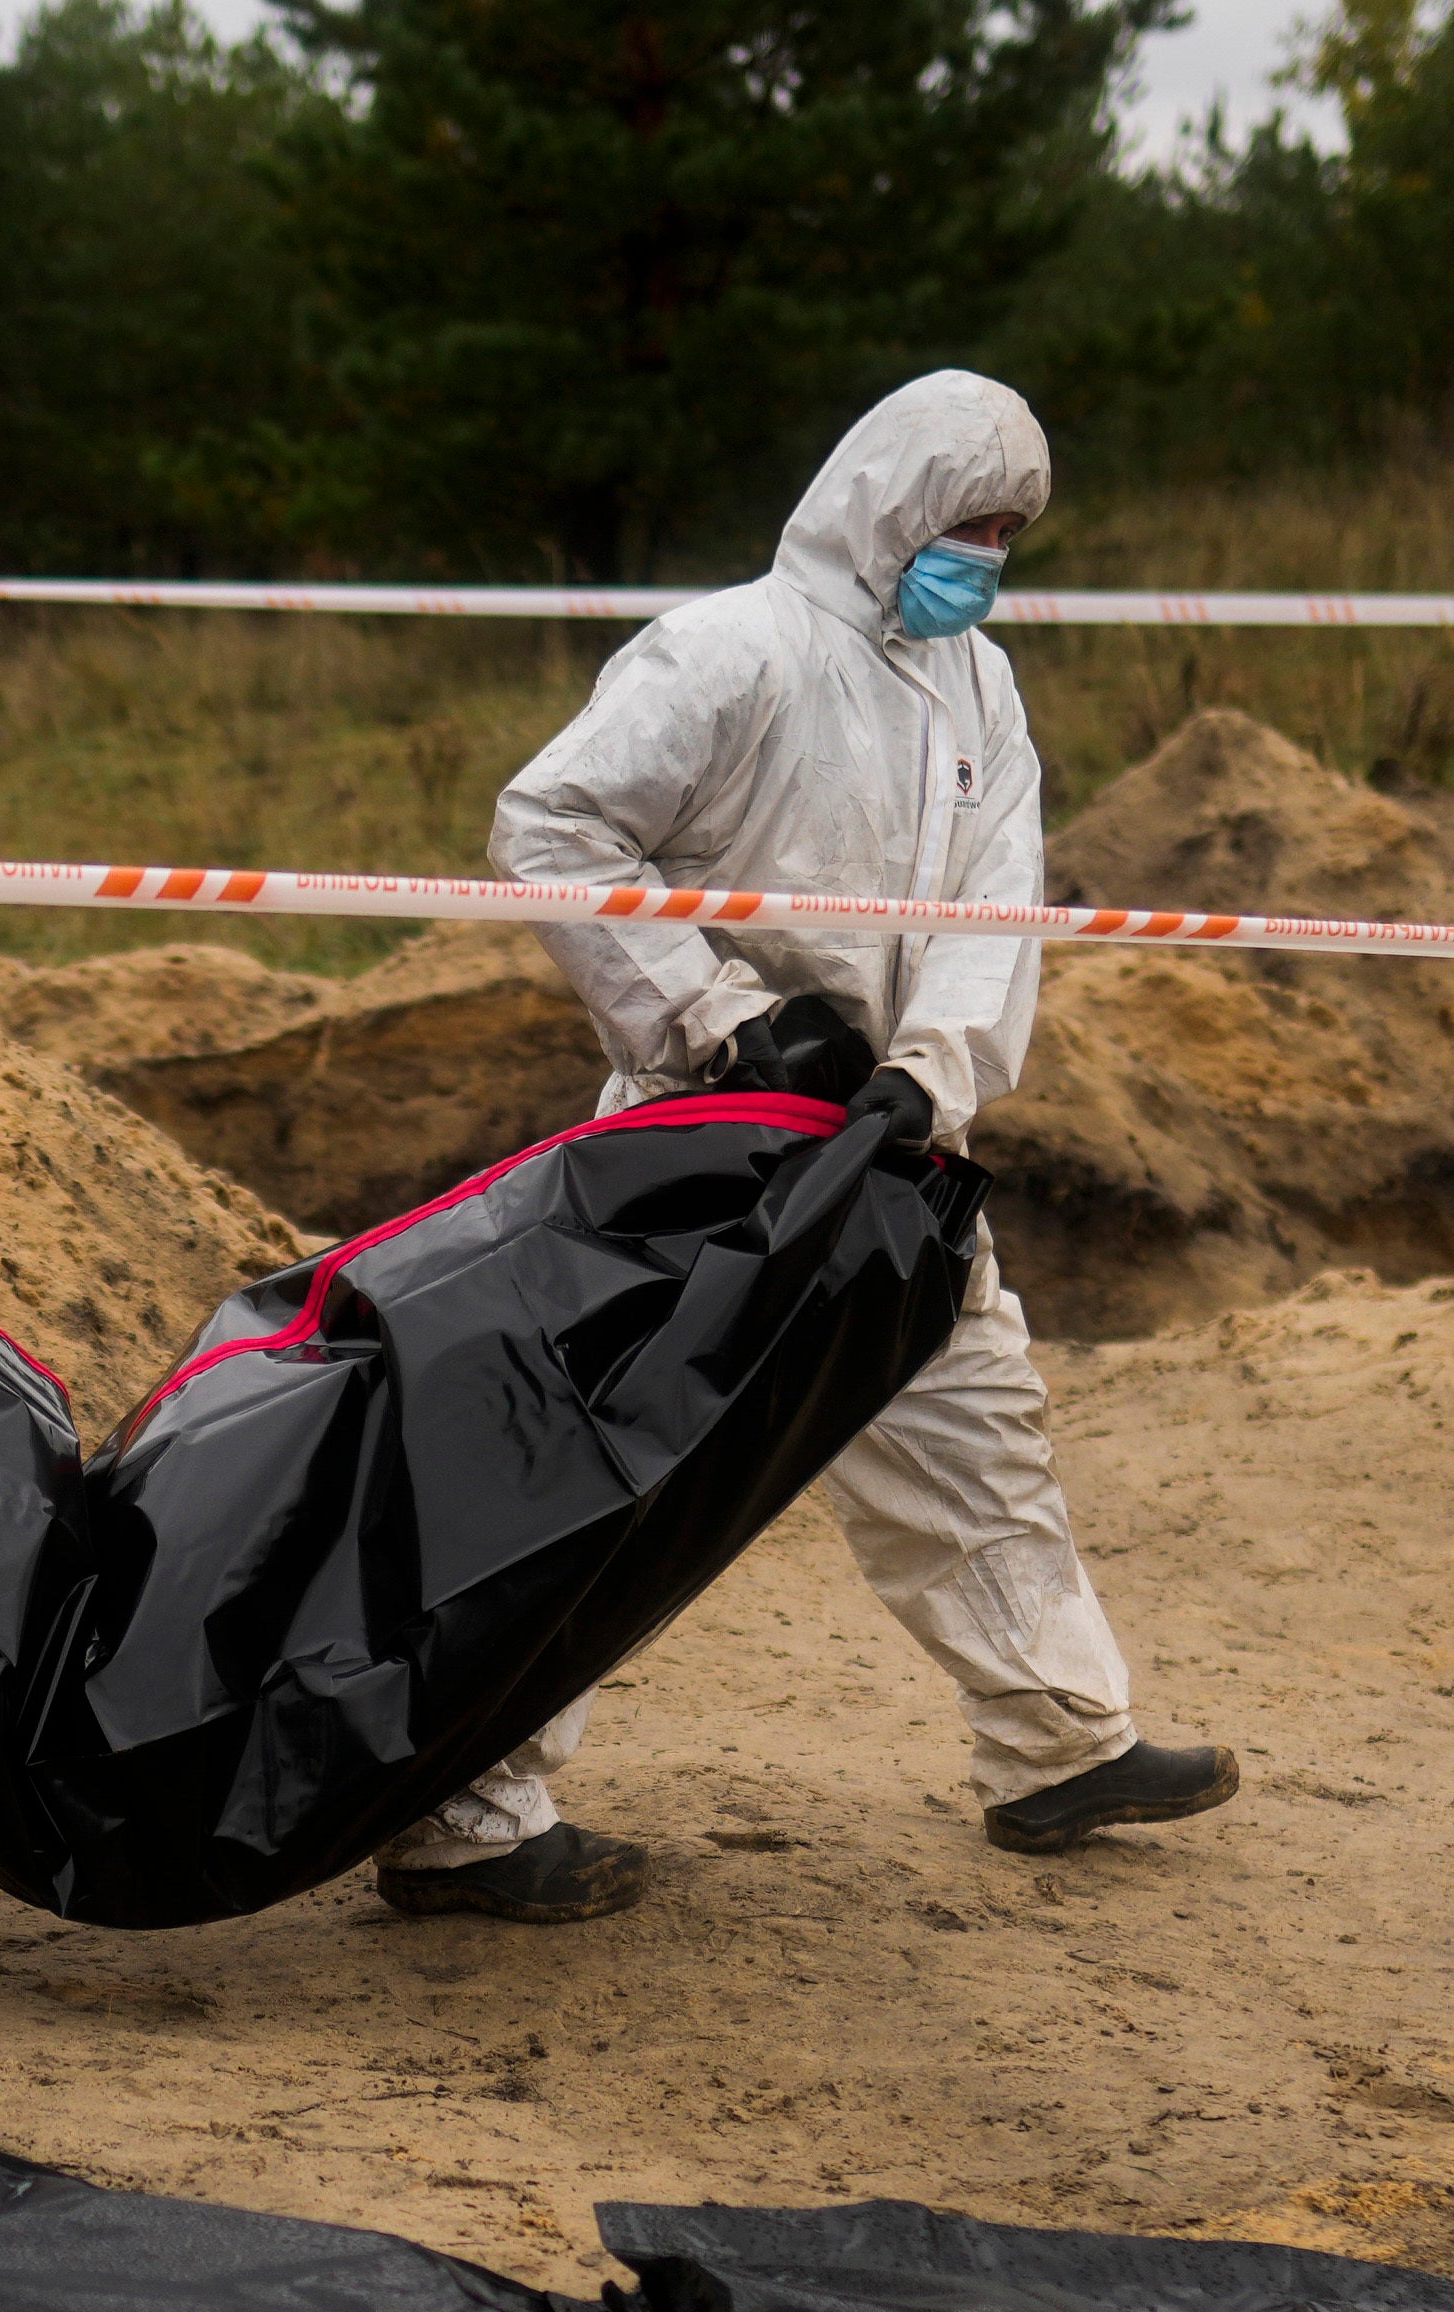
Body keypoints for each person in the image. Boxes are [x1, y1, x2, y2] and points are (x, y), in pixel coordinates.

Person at [374, 370, 1241, 1927]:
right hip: (711, 1144)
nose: (981, 554)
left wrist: (930, 1076)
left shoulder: (980, 687)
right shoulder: (729, 651)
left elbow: (1000, 905)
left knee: (974, 1421)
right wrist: (714, 1016)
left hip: (889, 1147)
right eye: (966, 522)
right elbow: (551, 829)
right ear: (886, 498)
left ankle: (1057, 1746)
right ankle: (464, 1822)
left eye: (1005, 533)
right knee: (626, 1475)